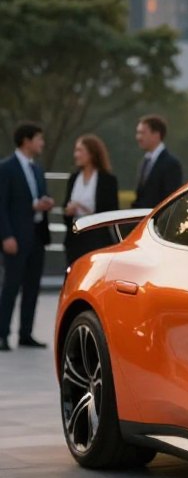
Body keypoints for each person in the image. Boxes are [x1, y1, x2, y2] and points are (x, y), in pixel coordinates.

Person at [0, 122, 54, 351]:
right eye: (39, 139)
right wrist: (6, 236)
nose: (42, 143)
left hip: (37, 237)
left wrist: (45, 202)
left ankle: (26, 333)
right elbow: (1, 206)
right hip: (15, 238)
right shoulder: (6, 168)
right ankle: (2, 334)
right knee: (10, 287)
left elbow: (39, 196)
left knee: (32, 287)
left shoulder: (37, 168)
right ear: (26, 140)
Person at [63, 134, 119, 267]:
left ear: (92, 153)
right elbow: (65, 207)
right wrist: (68, 211)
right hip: (75, 240)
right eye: (76, 150)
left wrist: (86, 209)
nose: (76, 154)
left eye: (80, 150)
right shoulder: (74, 178)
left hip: (97, 240)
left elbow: (112, 210)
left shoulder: (107, 180)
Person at [132, 114, 183, 208]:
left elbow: (171, 202)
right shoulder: (144, 162)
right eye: (138, 133)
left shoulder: (171, 164)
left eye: (142, 133)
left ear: (156, 135)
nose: (138, 137)